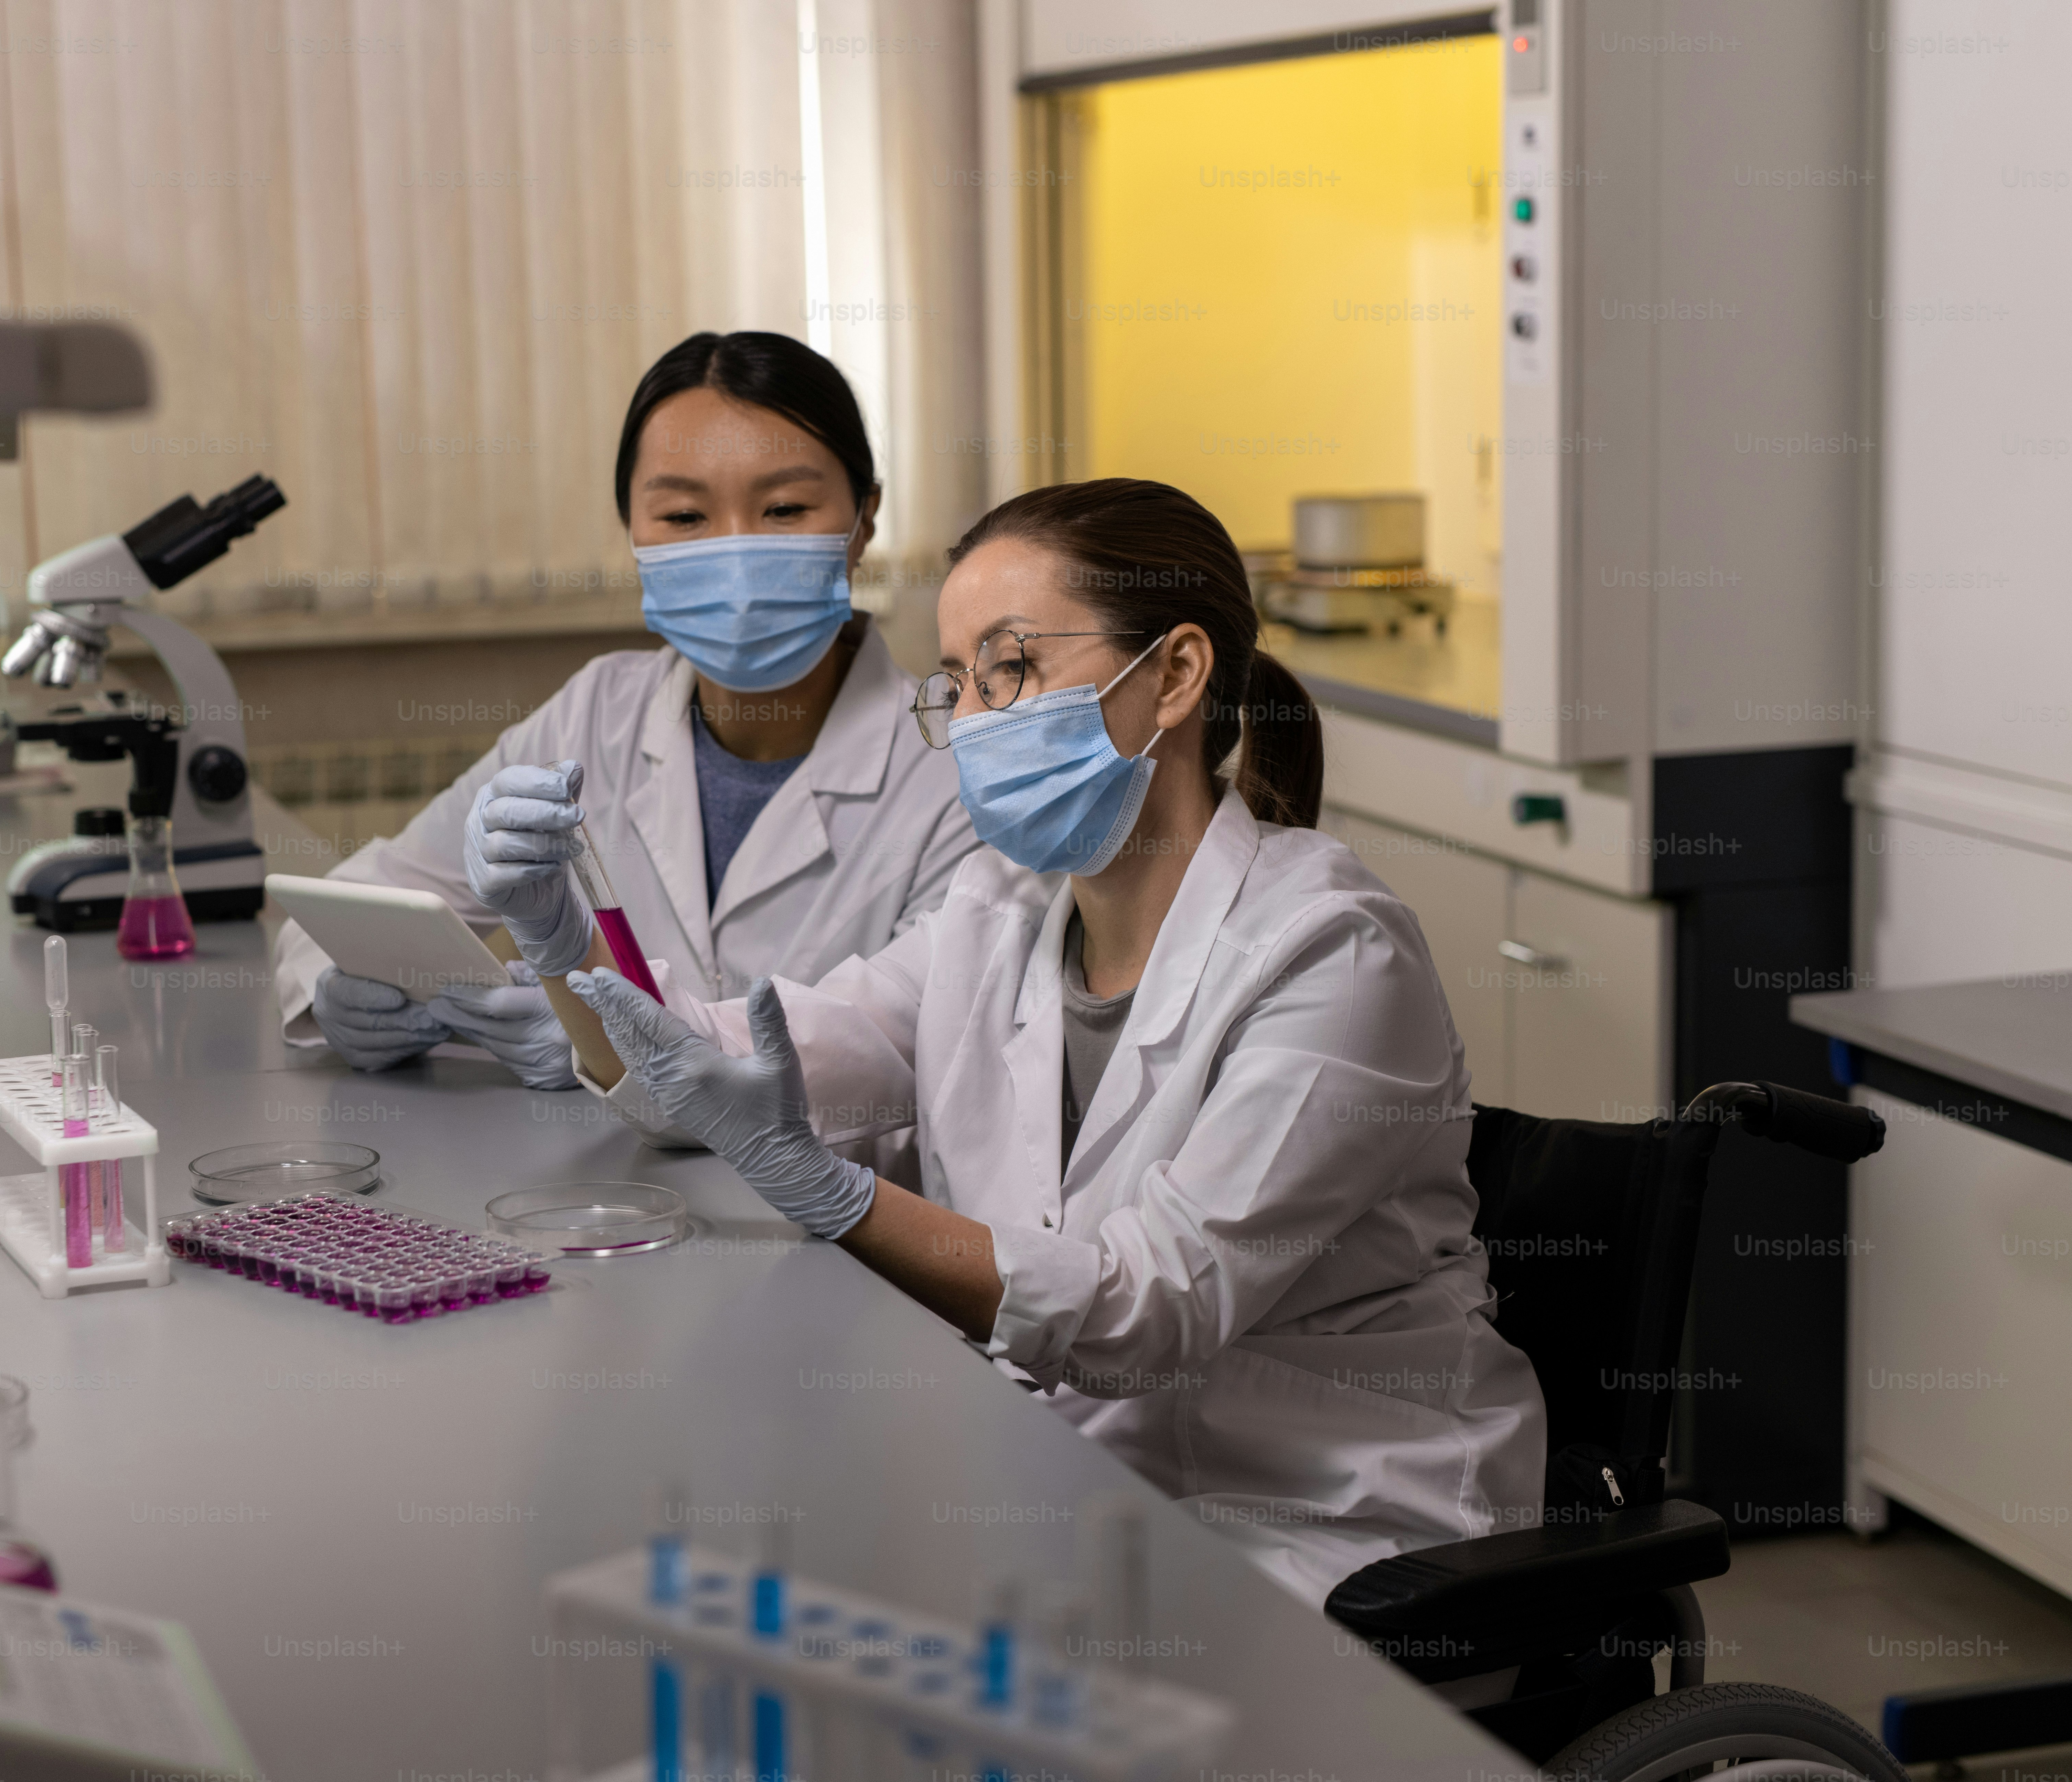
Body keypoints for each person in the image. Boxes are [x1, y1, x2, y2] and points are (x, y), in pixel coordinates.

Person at [474, 477, 1545, 1608]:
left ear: (1175, 676)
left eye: (1013, 670)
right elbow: (700, 1071)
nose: (976, 720)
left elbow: (1147, 1311)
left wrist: (834, 1195)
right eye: (959, 685)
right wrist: (562, 937)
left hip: (1327, 1535)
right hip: (1077, 1495)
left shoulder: (1334, 951)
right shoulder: (997, 913)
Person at [274, 332, 978, 1089]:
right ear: (632, 534)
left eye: (784, 508)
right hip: (610, 1195)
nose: (735, 555)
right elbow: (364, 900)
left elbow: (912, 1048)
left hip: (832, 1202)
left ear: (864, 520)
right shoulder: (599, 711)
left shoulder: (951, 765)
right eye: (683, 517)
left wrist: (605, 1043)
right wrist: (332, 986)